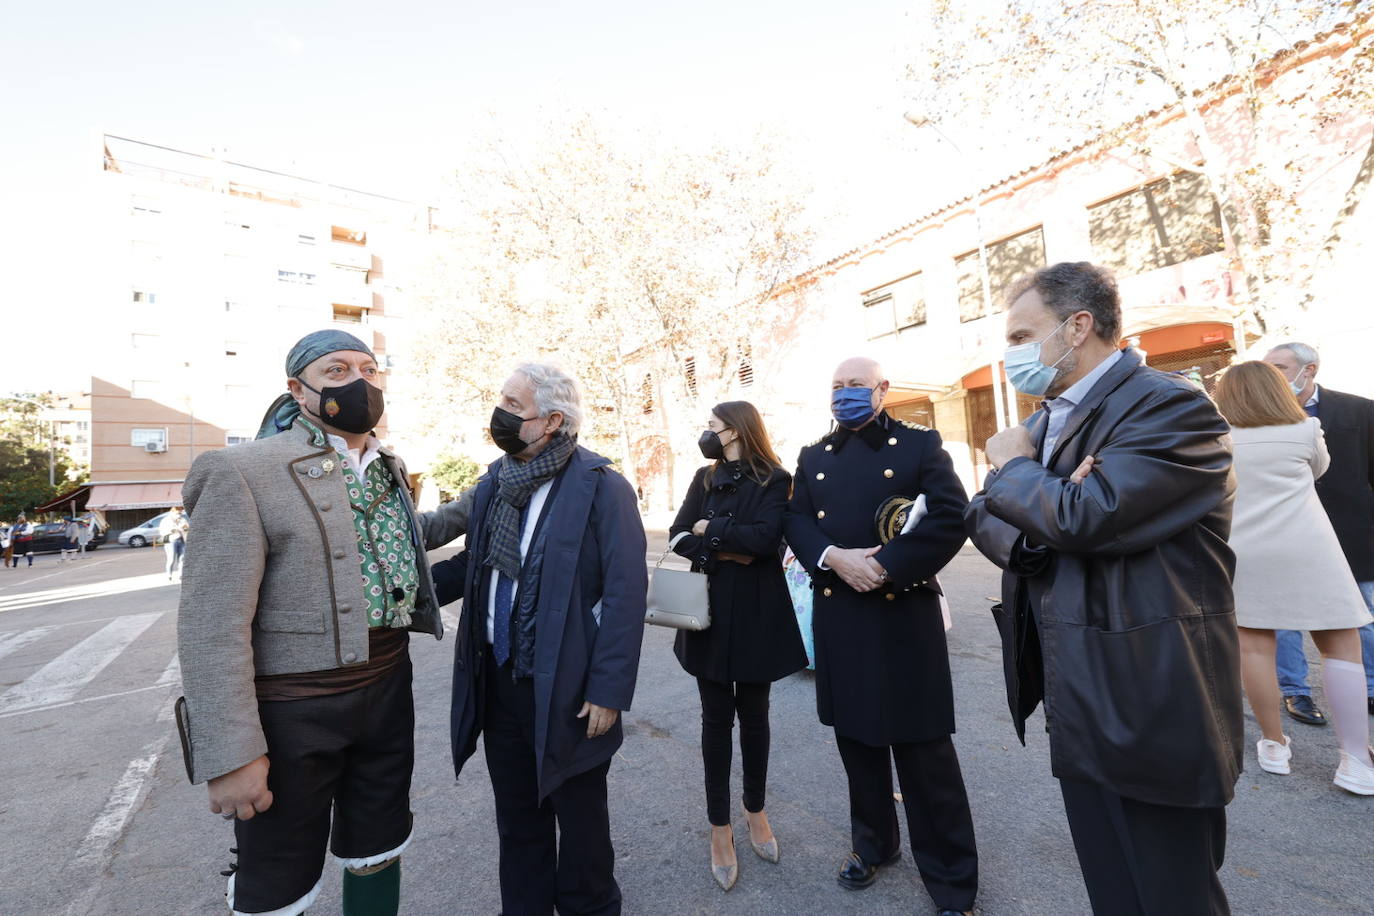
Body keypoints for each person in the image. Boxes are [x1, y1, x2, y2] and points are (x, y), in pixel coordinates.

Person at [966, 262, 1242, 915]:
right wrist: (1044, 514)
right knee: (1113, 889)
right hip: (1079, 697)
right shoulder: (1044, 422)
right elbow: (984, 514)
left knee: (1172, 896)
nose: (1012, 355)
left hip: (1150, 699)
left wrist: (1020, 478)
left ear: (1078, 325)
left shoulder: (1168, 403)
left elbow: (1092, 514)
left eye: (1021, 335)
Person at [175, 329, 470, 916]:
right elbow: (211, 625)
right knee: (277, 872)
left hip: (387, 690)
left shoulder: (387, 465)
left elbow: (406, 540)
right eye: (336, 371)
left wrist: (478, 502)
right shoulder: (242, 470)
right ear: (298, 390)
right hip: (292, 711)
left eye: (368, 368)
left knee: (379, 844)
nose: (359, 382)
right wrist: (230, 755)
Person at [430, 362, 646, 915]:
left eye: (512, 405)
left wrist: (609, 689)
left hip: (571, 692)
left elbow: (625, 595)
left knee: (582, 832)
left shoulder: (602, 488)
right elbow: (473, 566)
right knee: (518, 824)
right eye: (500, 399)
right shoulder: (493, 485)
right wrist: (404, 596)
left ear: (552, 420)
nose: (499, 414)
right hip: (501, 684)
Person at [783, 357, 977, 916]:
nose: (845, 394)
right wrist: (833, 557)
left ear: (881, 391)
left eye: (856, 386)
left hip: (902, 615)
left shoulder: (920, 446)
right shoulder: (814, 455)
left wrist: (887, 566)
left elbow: (949, 515)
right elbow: (796, 520)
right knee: (859, 744)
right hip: (840, 611)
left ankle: (953, 884)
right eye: (837, 385)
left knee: (925, 756)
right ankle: (874, 845)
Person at [1212, 361, 1374, 792]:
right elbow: (1319, 471)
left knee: (1256, 649)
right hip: (1310, 549)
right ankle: (1356, 758)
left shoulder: (1216, 439)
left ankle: (1273, 743)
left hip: (1245, 550)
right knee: (1341, 648)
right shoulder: (1306, 429)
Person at [668, 401, 808, 890]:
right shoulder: (703, 479)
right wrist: (724, 544)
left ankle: (756, 811)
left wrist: (712, 533)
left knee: (755, 715)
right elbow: (678, 534)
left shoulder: (775, 478)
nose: (706, 434)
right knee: (713, 721)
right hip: (707, 609)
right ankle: (719, 827)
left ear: (735, 431)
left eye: (712, 427)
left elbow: (768, 540)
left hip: (755, 613)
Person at [1263, 342, 1374, 722]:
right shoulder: (1256, 417)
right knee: (1283, 618)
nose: (1271, 373)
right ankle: (1296, 692)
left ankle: (1371, 687)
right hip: (1286, 531)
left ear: (1309, 370)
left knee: (1364, 612)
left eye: (1279, 366)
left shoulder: (1358, 409)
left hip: (1353, 530)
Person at [159, 506, 189, 581]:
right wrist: (178, 529)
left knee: (182, 558)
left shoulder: (182, 520)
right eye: (177, 513)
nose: (179, 514)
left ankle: (181, 575)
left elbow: (187, 528)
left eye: (180, 513)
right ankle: (169, 575)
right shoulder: (166, 520)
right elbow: (163, 532)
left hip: (181, 540)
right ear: (172, 512)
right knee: (171, 559)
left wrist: (184, 528)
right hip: (170, 541)